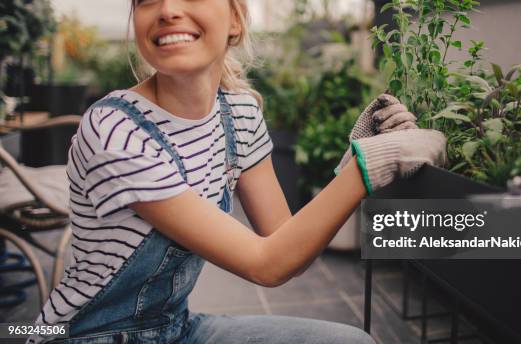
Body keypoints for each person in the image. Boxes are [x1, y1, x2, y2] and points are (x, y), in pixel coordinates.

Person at [29, 0, 446, 343]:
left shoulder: (239, 115)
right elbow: (266, 265)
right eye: (147, 0)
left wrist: (355, 159)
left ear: (235, 18)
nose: (168, 10)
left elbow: (284, 242)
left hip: (176, 331)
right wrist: (371, 164)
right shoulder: (115, 129)